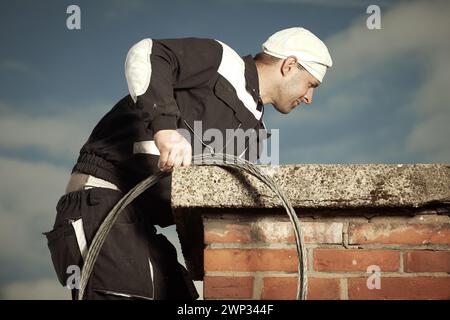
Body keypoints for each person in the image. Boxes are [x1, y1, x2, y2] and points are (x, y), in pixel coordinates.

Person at [44, 27, 332, 300]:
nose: (309, 97)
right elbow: (146, 53)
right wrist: (165, 129)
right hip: (102, 206)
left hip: (142, 227)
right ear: (289, 65)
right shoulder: (222, 62)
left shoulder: (254, 135)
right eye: (311, 84)